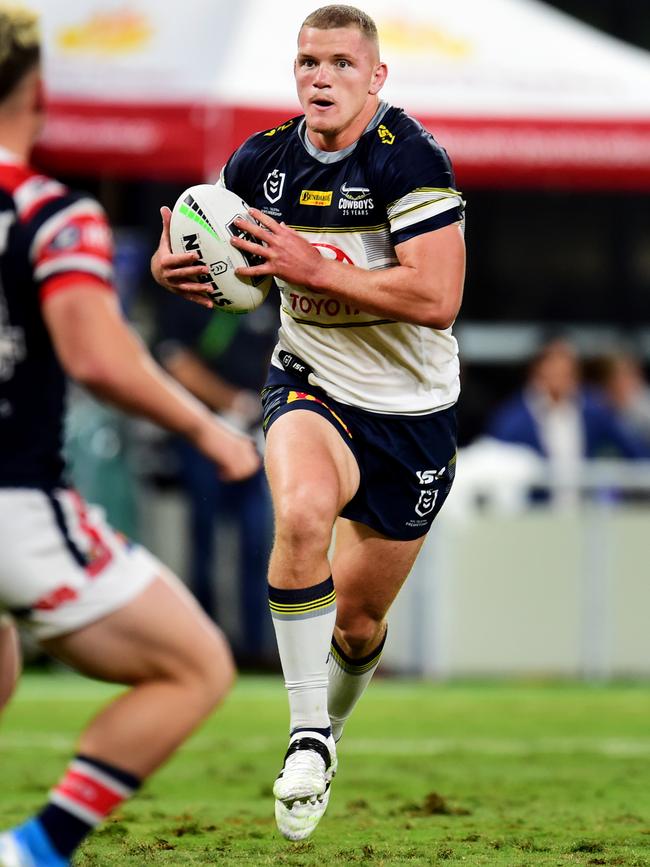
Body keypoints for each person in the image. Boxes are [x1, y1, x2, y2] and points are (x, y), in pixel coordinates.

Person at [152, 4, 466, 842]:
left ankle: (327, 728)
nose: (319, 76)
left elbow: (437, 299)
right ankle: (305, 736)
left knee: (359, 625)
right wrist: (178, 263)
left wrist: (307, 263)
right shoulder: (260, 160)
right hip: (310, 379)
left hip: (412, 412)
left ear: (375, 77)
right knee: (298, 516)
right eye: (306, 62)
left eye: (338, 63)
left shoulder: (412, 160)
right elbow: (214, 246)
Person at [0, 7, 260, 866]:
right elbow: (97, 357)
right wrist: (209, 428)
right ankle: (38, 848)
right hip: (14, 501)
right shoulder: (47, 213)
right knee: (195, 665)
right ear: (37, 90)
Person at [155, 292, 279, 662]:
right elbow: (174, 359)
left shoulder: (266, 293)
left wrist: (261, 405)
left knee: (260, 540)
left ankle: (257, 647)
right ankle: (204, 644)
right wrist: (231, 402)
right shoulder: (189, 294)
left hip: (257, 432)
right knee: (204, 536)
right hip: (203, 431)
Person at [485, 338, 650, 504]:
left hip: (583, 513)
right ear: (537, 371)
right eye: (554, 369)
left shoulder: (593, 411)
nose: (560, 376)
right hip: (534, 516)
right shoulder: (513, 420)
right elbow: (496, 467)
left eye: (567, 371)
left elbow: (631, 449)